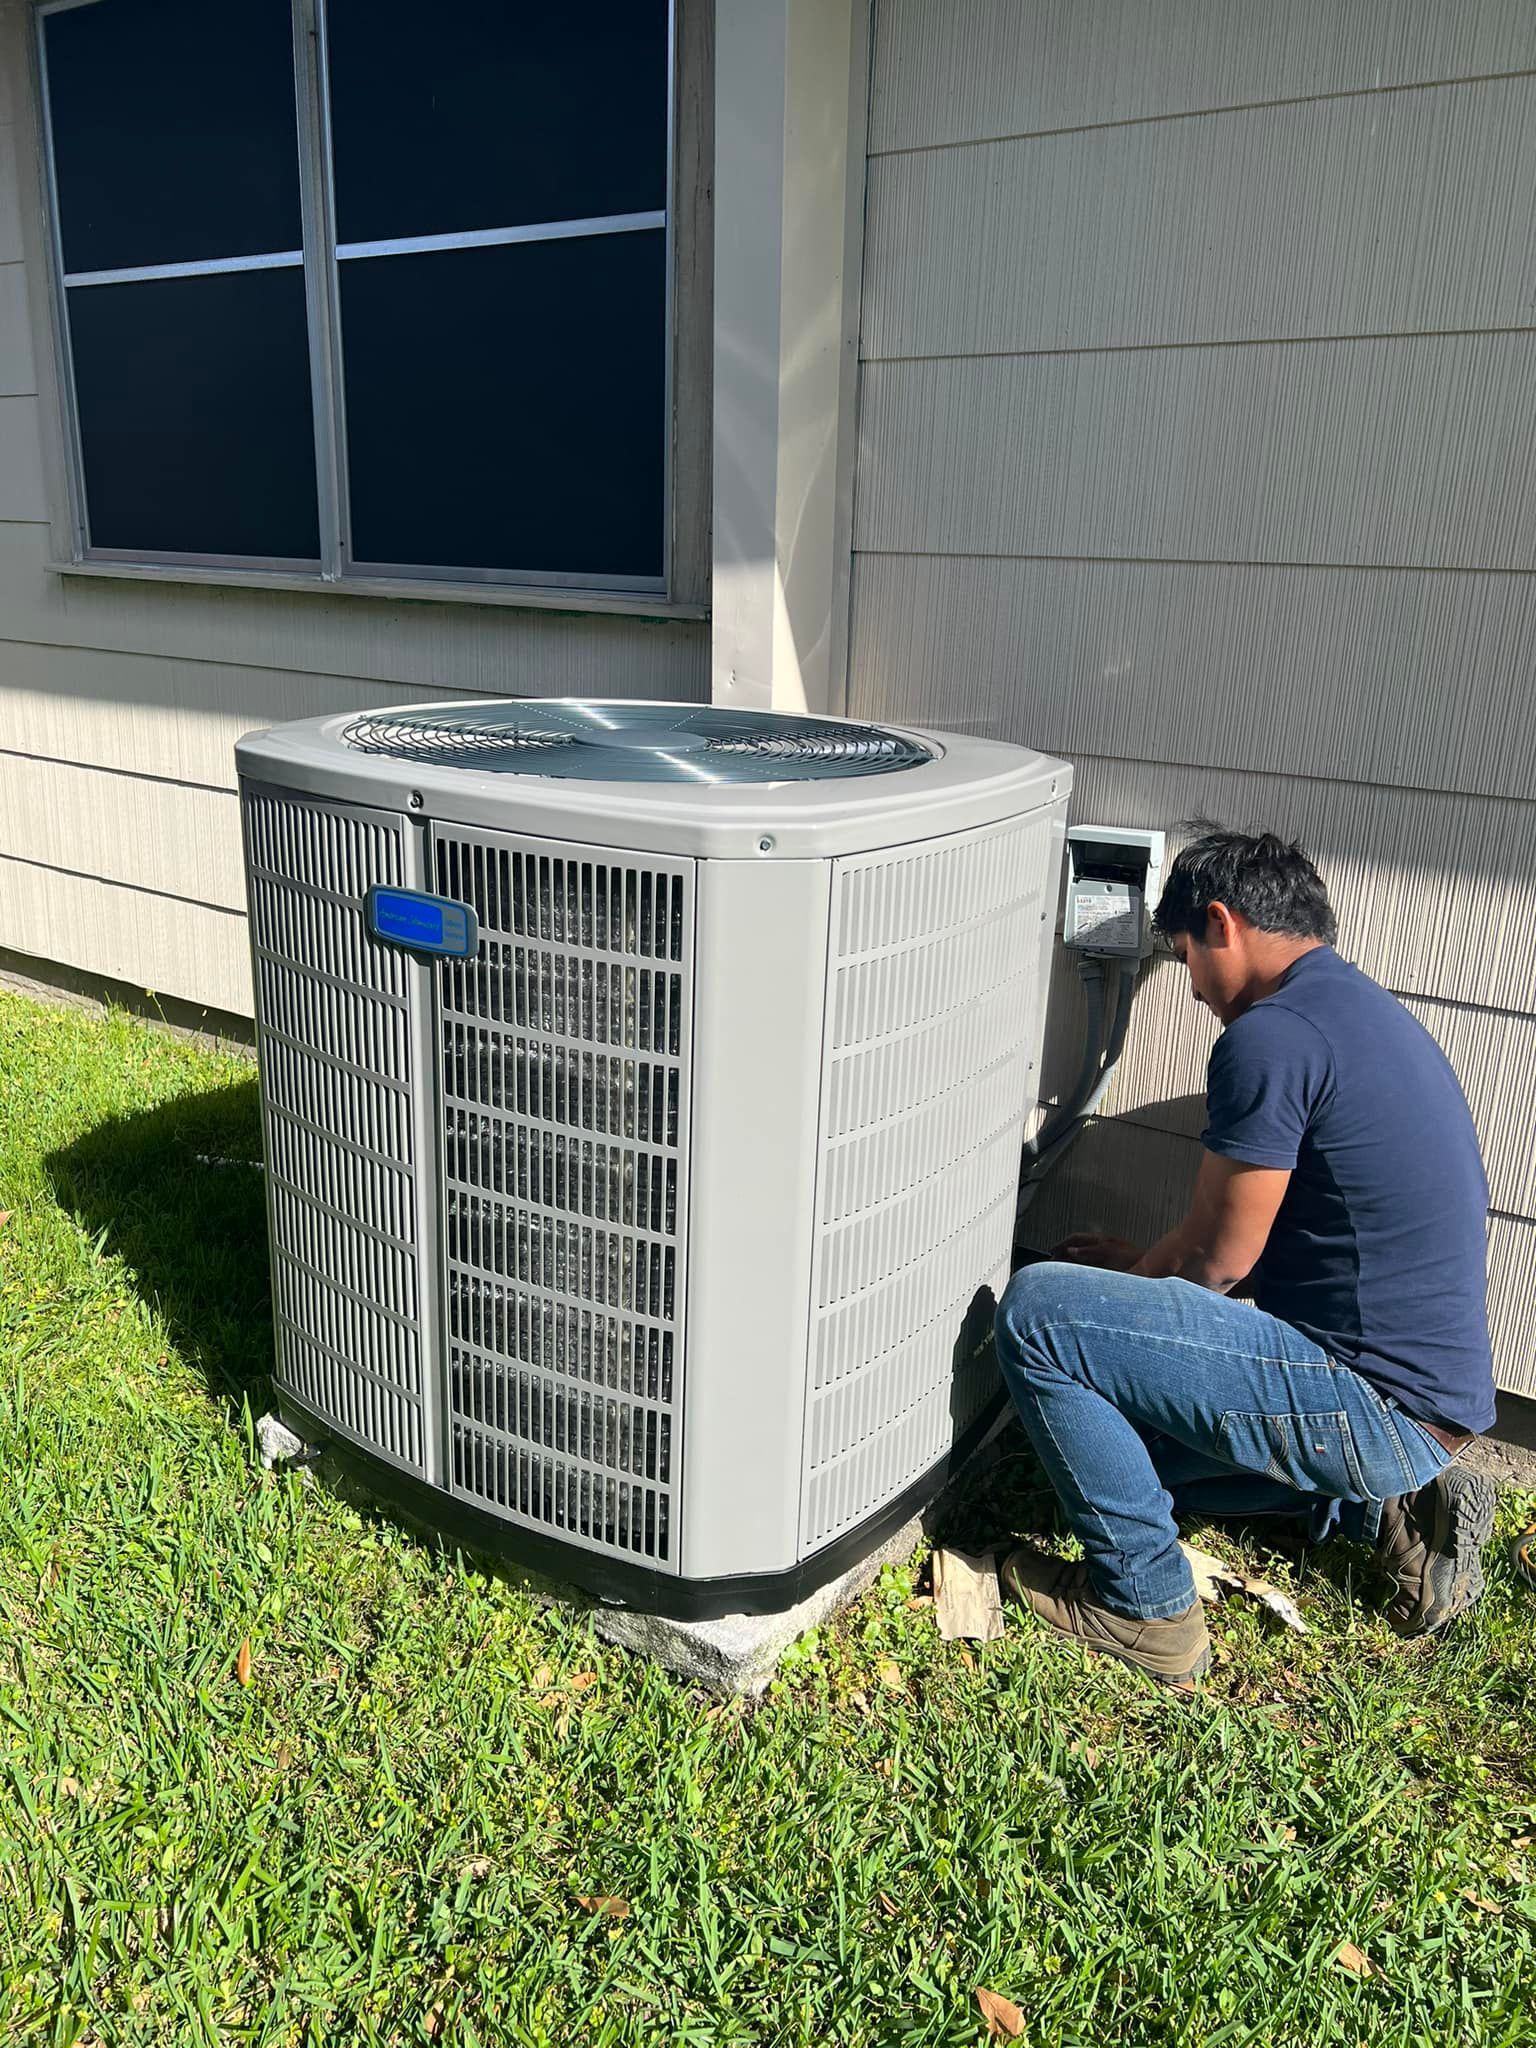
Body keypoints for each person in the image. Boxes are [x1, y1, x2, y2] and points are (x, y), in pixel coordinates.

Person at [995, 824, 1498, 1685]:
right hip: (1425, 1405)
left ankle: (1146, 1609)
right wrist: (1132, 1272)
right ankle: (1375, 1508)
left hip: (1368, 1403)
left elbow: (1217, 1263)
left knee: (1041, 1314)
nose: (1191, 988)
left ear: (1220, 923)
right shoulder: (1356, 1012)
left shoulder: (1271, 1037)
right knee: (1122, 1465)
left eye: (1184, 955)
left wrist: (1114, 1295)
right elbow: (1295, 1240)